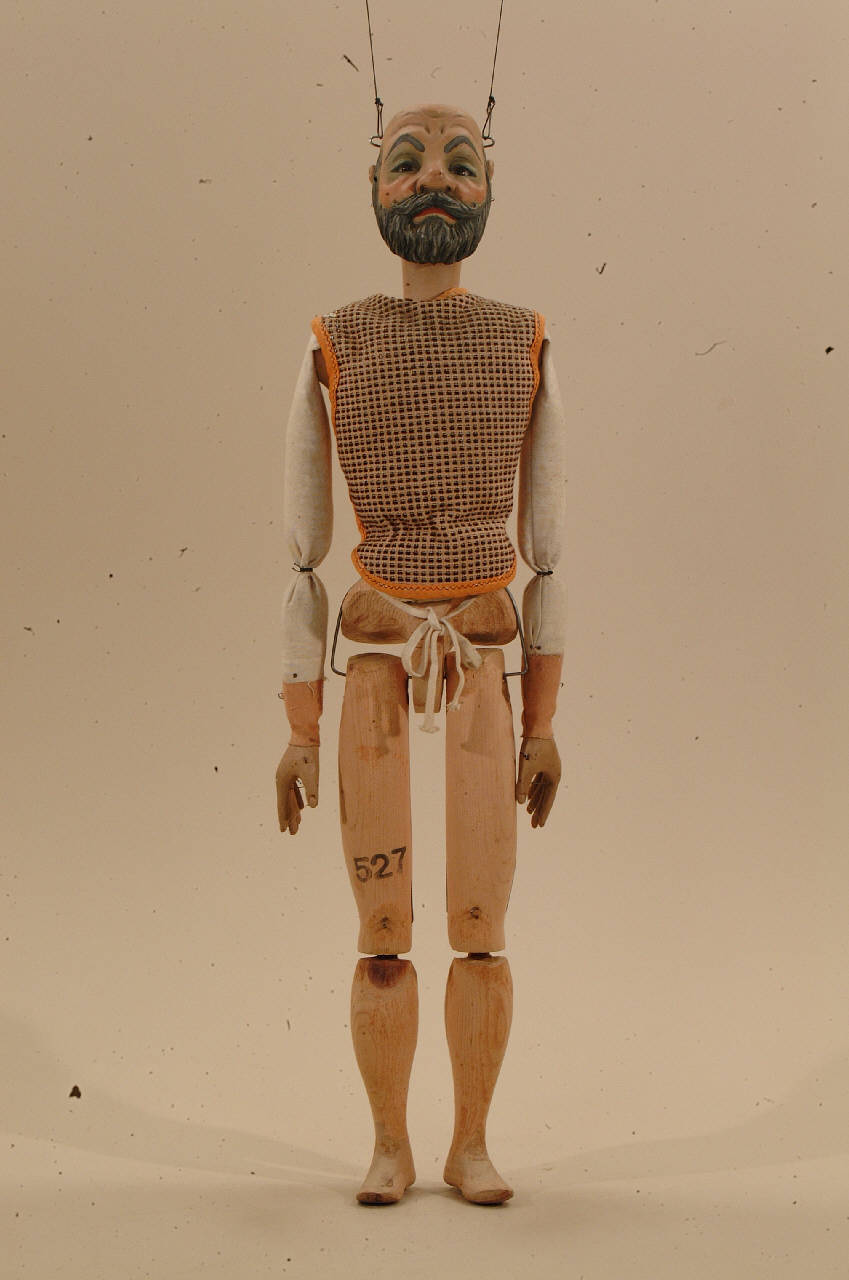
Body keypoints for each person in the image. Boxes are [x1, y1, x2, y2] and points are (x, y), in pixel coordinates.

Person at [275, 103, 566, 1204]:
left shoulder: (522, 338)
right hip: (378, 657)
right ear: (374, 188)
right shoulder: (337, 341)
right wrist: (300, 733)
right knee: (384, 921)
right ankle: (391, 1143)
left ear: (490, 189)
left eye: (459, 162)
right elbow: (302, 555)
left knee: (481, 923)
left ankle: (470, 1142)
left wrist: (544, 725)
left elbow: (550, 552)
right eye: (406, 162)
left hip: (482, 655)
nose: (433, 180)